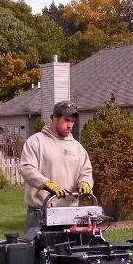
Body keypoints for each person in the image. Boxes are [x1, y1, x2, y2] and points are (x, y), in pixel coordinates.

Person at [18, 100, 94, 233]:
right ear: (54, 118)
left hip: (71, 215)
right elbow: (26, 168)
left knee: (72, 247)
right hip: (40, 213)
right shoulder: (36, 142)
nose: (70, 125)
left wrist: (85, 182)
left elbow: (86, 171)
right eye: (66, 120)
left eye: (72, 121)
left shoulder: (77, 147)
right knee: (38, 247)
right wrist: (47, 184)